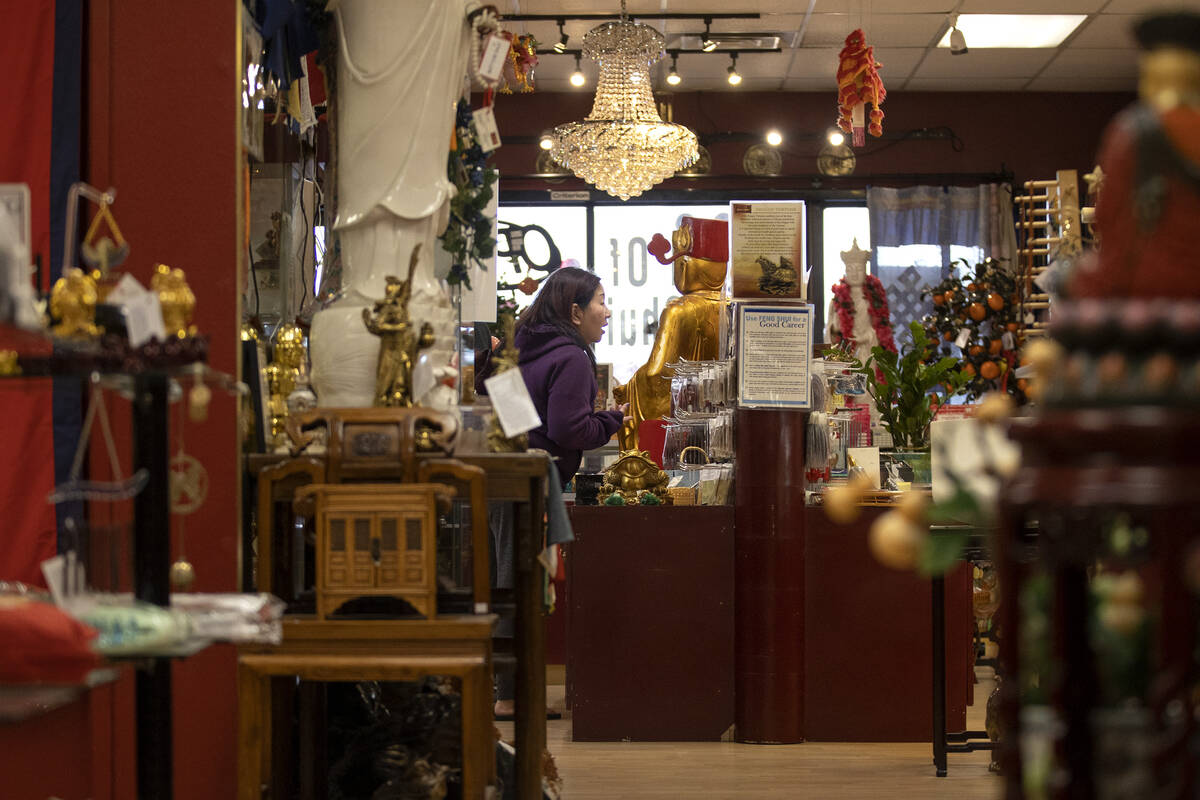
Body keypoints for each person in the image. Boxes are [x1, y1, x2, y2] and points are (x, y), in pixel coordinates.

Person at [489, 267, 626, 717]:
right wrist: (611, 419)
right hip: (529, 485)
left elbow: (510, 416)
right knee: (523, 585)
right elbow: (570, 429)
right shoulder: (570, 357)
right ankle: (511, 697)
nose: (606, 312)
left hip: (500, 479)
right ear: (574, 311)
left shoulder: (522, 350)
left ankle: (507, 690)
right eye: (600, 302)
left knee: (508, 583)